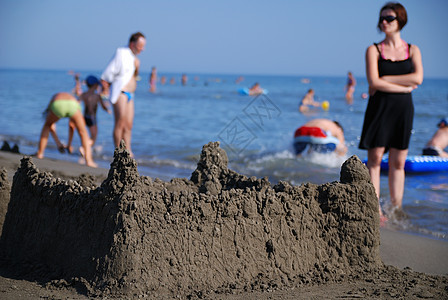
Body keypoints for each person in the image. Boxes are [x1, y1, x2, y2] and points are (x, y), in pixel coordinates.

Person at [359, 2, 423, 218]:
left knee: (398, 162)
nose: (384, 22)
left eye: (389, 18)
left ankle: (396, 209)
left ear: (400, 21)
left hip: (403, 109)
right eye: (382, 18)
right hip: (380, 107)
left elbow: (418, 78)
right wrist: (403, 87)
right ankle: (374, 209)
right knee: (375, 158)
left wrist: (387, 78)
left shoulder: (413, 50)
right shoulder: (373, 50)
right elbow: (374, 82)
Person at [100, 32, 146, 157]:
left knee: (128, 125)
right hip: (120, 92)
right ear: (132, 44)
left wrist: (137, 67)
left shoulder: (135, 59)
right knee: (120, 122)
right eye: (140, 46)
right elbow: (106, 75)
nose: (142, 49)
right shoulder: (121, 53)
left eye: (144, 46)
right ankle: (118, 151)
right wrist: (104, 93)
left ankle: (128, 151)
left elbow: (133, 77)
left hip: (131, 94)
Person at [37, 92, 97, 168]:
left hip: (58, 104)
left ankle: (40, 153)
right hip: (73, 105)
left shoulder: (55, 98)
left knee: (47, 125)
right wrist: (69, 145)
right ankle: (89, 161)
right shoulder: (71, 97)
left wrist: (58, 143)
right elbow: (72, 126)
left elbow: (51, 127)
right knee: (83, 132)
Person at [67, 76, 111, 154]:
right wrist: (107, 110)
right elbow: (103, 106)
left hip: (84, 117)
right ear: (95, 85)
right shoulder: (97, 96)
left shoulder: (84, 94)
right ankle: (84, 148)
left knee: (84, 134)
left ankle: (84, 148)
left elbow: (77, 104)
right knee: (94, 136)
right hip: (92, 118)